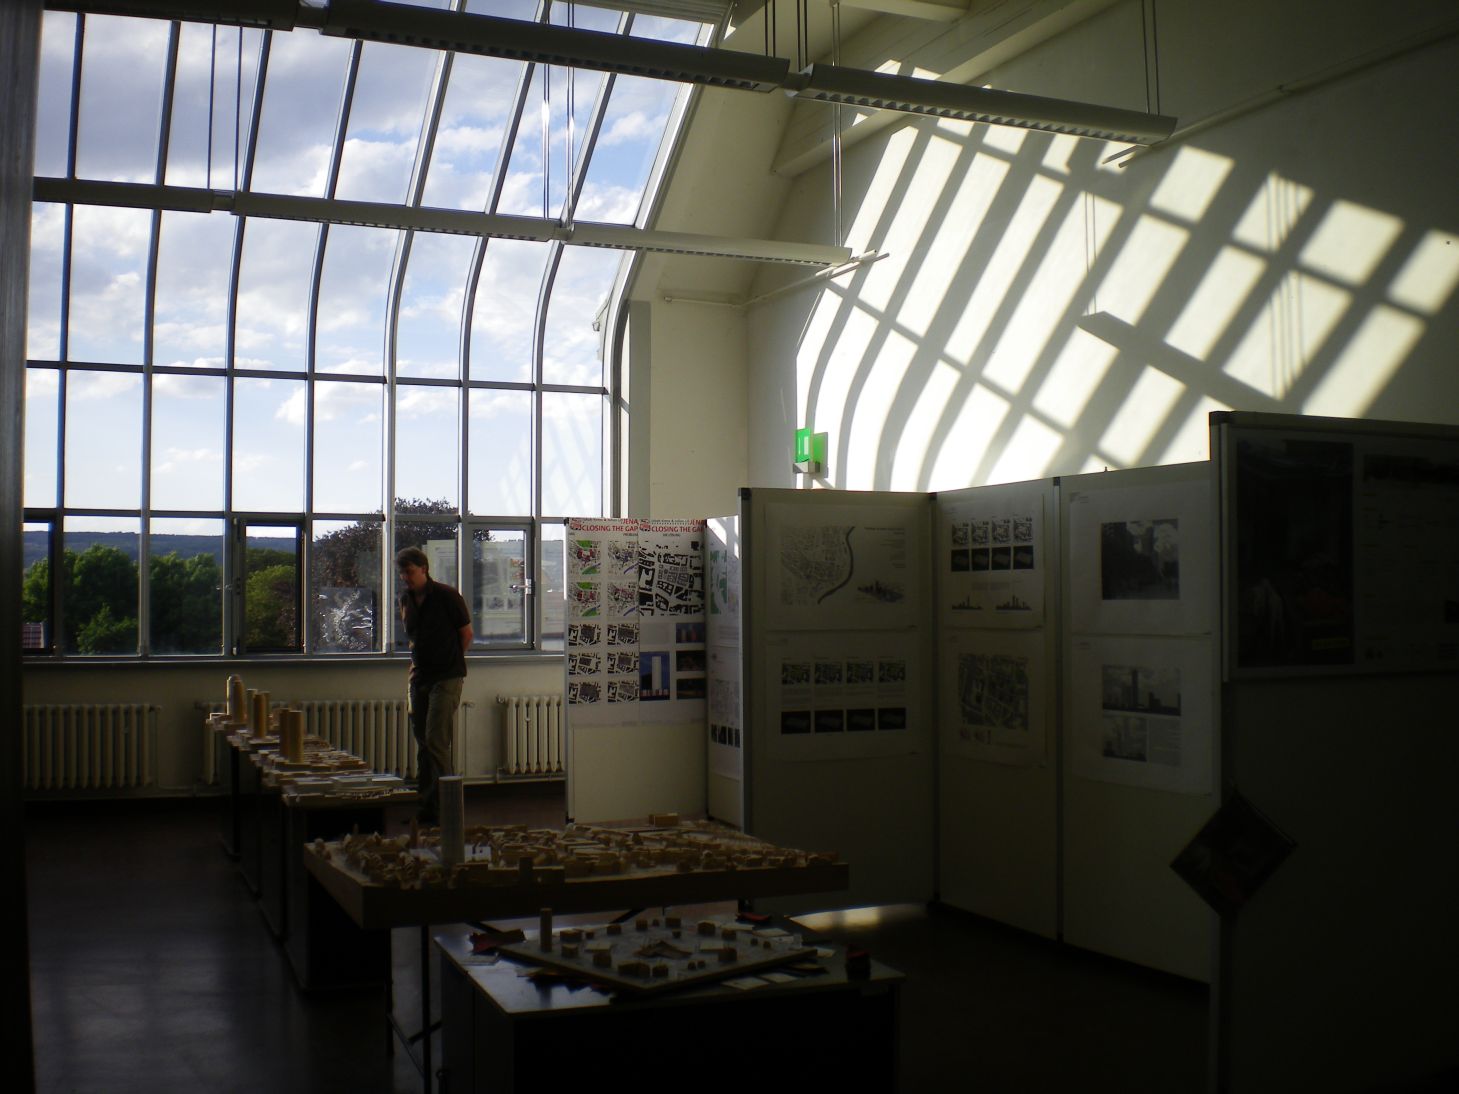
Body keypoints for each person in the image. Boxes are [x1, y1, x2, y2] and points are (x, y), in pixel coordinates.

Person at [395, 546, 473, 826]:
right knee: (424, 744)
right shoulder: (405, 599)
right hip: (419, 678)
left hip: (447, 677)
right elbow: (414, 638)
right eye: (402, 573)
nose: (406, 577)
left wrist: (449, 662)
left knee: (436, 741)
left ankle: (448, 810)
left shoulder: (447, 596)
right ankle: (428, 808)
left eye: (410, 572)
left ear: (424, 569)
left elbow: (466, 634)